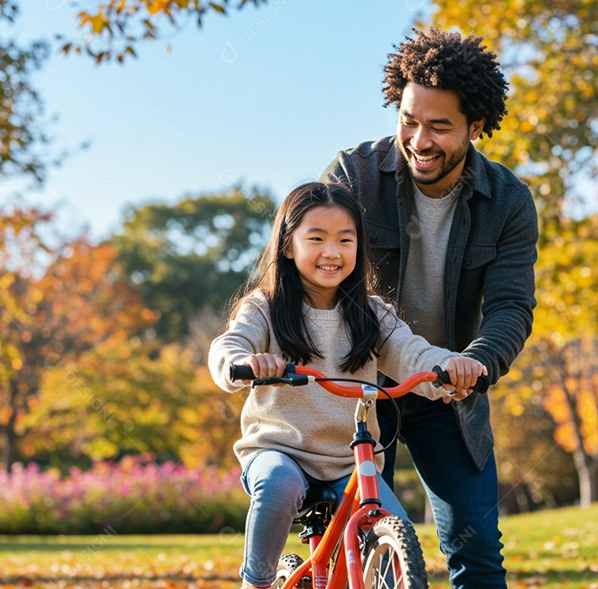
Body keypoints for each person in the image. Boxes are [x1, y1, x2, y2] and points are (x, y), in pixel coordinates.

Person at [320, 28, 538, 589]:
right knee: (356, 553)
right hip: (361, 387)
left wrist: (479, 362)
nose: (420, 139)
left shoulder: (509, 202)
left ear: (476, 127)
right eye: (410, 120)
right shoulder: (353, 178)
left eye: (440, 126)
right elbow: (311, 275)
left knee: (479, 554)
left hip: (449, 390)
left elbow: (511, 306)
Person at [207, 181, 487, 589]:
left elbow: (413, 353)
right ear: (288, 246)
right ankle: (257, 582)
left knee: (392, 525)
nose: (332, 252)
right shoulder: (264, 308)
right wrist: (244, 362)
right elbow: (229, 346)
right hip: (281, 449)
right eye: (316, 238)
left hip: (350, 460)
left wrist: (450, 366)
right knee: (278, 485)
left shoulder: (373, 314)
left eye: (345, 239)